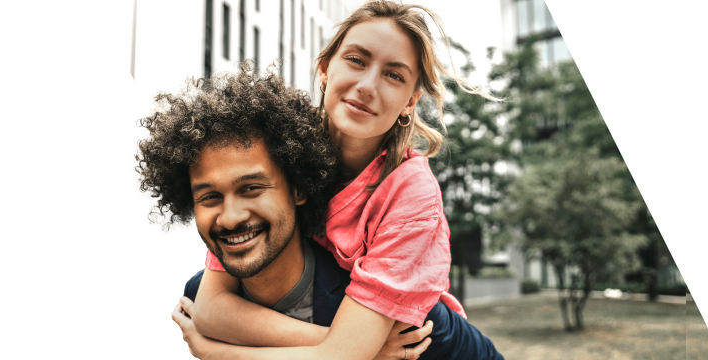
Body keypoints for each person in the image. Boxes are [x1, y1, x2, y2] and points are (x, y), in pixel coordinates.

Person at [136, 66, 502, 359]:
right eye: (210, 197)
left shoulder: (400, 326)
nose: (231, 217)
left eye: (251, 188)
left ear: (299, 189)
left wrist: (215, 353)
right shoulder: (202, 300)